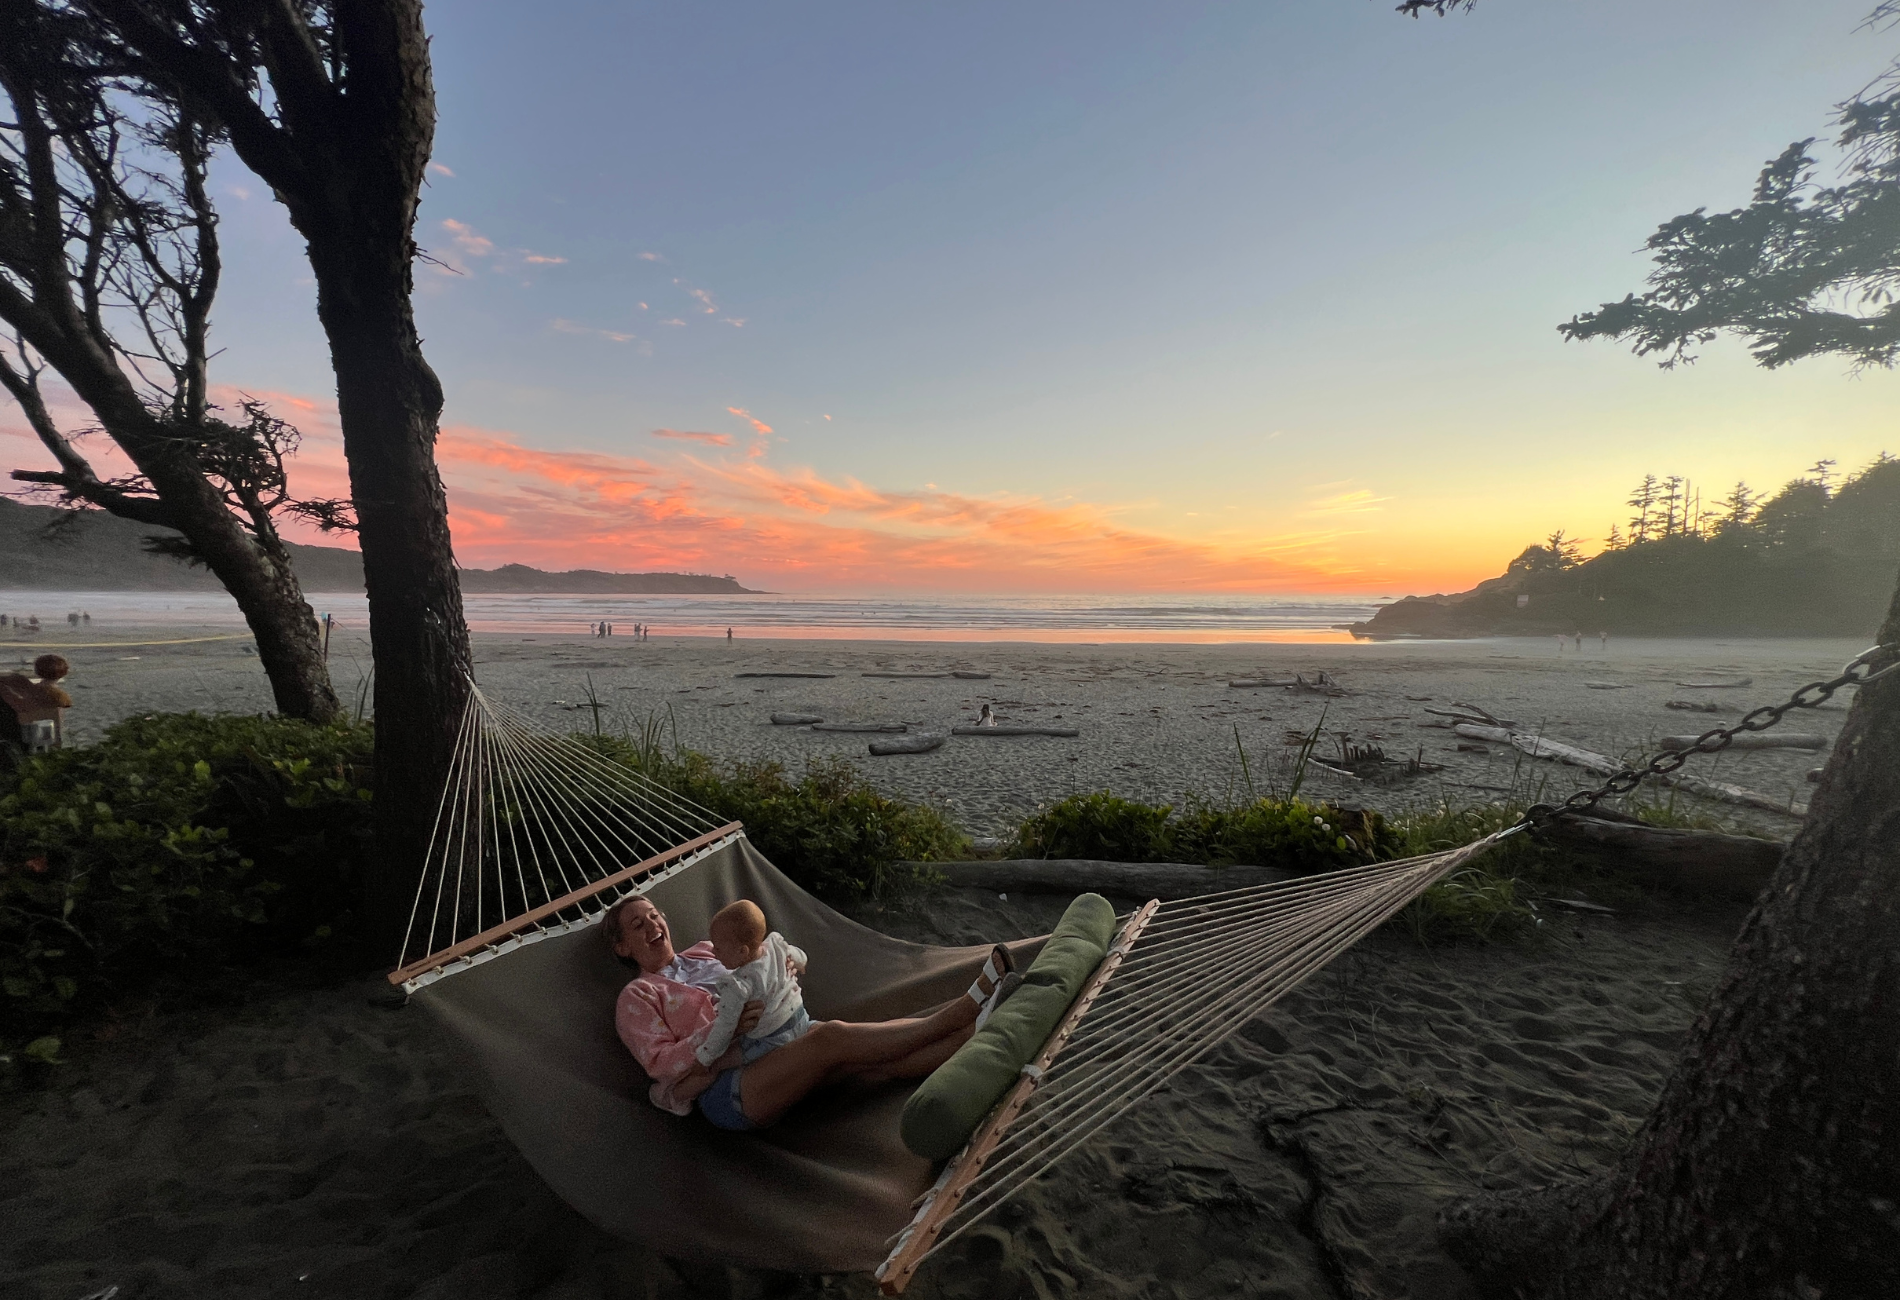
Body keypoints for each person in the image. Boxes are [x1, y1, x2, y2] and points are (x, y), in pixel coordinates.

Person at [607, 895, 1003, 1132]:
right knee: (831, 1038)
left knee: (867, 1064)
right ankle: (957, 1015)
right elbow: (660, 1064)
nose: (653, 925)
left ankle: (974, 1037)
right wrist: (721, 1031)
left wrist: (787, 966)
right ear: (623, 948)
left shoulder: (707, 949)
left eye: (655, 915)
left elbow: (761, 963)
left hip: (779, 1042)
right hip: (730, 1088)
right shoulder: (638, 996)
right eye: (638, 925)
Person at [695, 900, 809, 1067]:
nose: (712, 952)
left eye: (718, 948)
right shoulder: (776, 947)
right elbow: (800, 956)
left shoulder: (738, 985)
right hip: (800, 1016)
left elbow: (725, 1026)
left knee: (728, 1062)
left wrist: (705, 1056)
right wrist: (800, 964)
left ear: (742, 951)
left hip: (772, 1038)